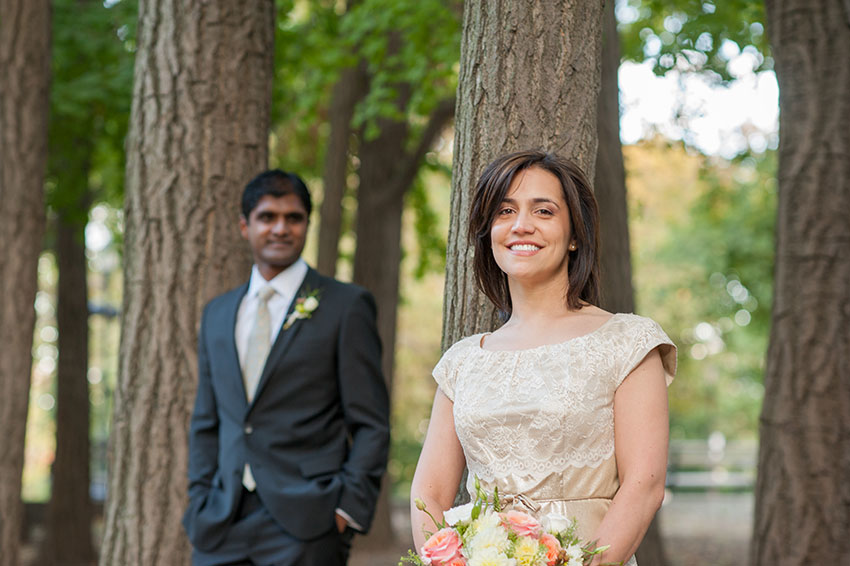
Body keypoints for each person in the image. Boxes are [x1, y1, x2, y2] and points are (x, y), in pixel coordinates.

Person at [410, 150, 676, 565]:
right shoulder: (462, 362)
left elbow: (644, 486)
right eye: (504, 211)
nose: (521, 225)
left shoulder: (628, 341)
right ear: (489, 232)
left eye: (544, 211)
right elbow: (428, 494)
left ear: (574, 234)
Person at [183, 169, 390, 566]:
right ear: (245, 226)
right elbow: (207, 420)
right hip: (220, 521)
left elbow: (371, 422)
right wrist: (200, 498)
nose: (280, 228)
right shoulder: (218, 313)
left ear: (307, 225)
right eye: (267, 217)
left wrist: (346, 509)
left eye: (293, 218)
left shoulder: (345, 306)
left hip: (307, 522)